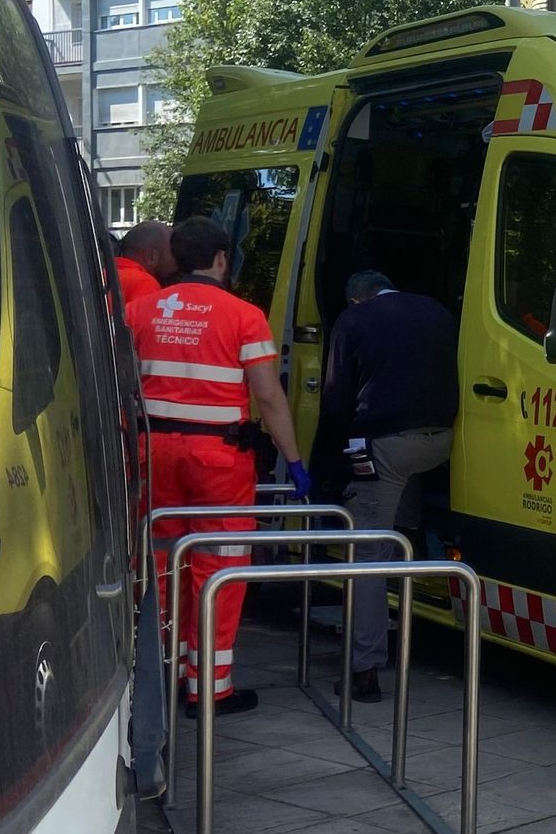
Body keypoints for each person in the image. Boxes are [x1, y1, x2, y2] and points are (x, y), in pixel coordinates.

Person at [127, 217, 310, 714]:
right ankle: (209, 688)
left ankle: (158, 675)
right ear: (222, 258)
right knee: (219, 565)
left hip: (152, 455)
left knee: (160, 561)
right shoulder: (245, 316)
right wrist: (294, 463)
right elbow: (269, 398)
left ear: (175, 258)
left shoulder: (139, 310)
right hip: (219, 461)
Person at [318, 270, 458, 702]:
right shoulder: (436, 311)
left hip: (387, 445)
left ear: (355, 300)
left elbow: (337, 400)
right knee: (405, 520)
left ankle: (364, 670)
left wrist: (323, 469)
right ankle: (410, 562)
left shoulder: (353, 321)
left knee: (367, 554)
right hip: (443, 440)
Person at [114, 220, 174, 304]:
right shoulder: (144, 283)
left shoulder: (103, 273)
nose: (177, 258)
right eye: (173, 252)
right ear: (151, 256)